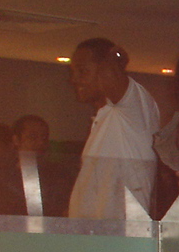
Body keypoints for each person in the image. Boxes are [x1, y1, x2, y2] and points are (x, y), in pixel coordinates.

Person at [66, 38, 160, 219]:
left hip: (124, 232)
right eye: (73, 72)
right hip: (92, 232)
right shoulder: (104, 117)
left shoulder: (132, 108)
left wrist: (115, 57)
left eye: (83, 71)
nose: (74, 79)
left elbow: (110, 74)